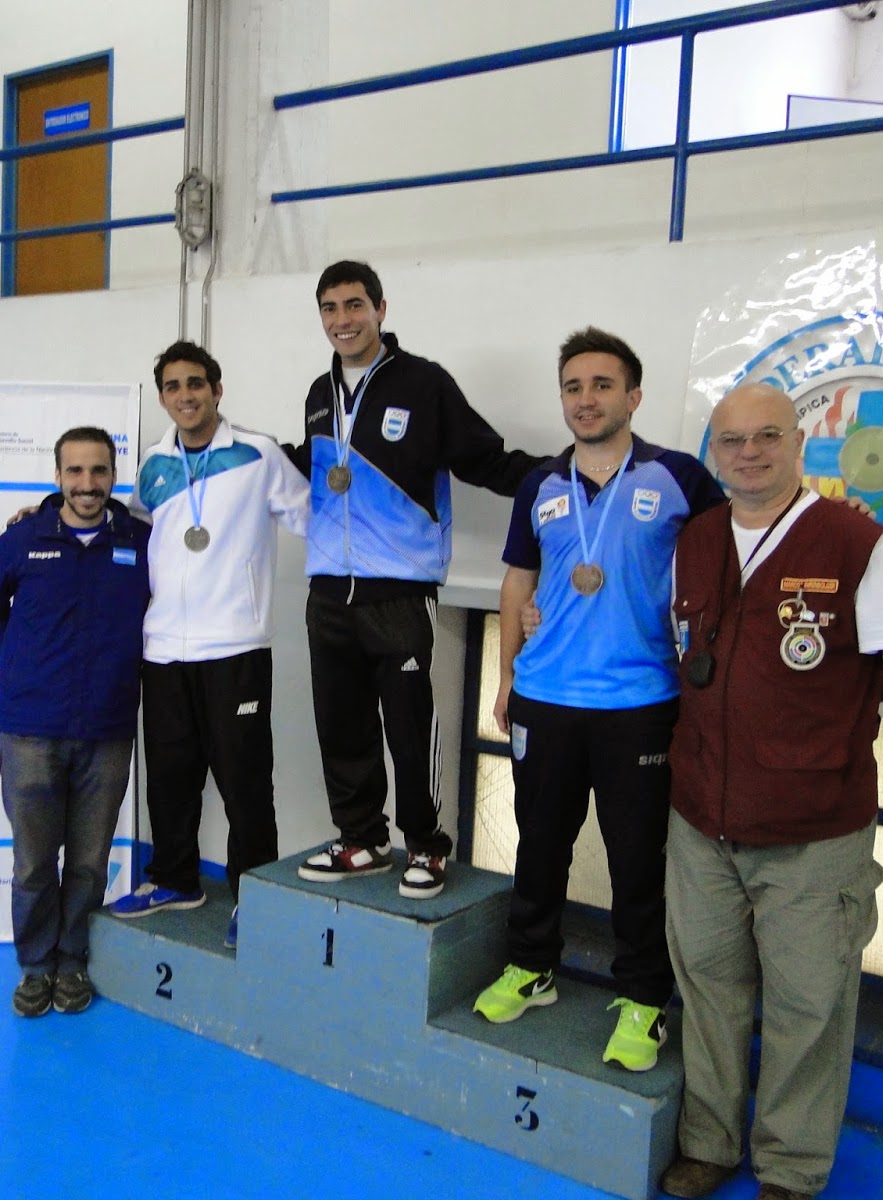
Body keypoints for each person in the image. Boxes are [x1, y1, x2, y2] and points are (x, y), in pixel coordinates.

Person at [660, 382, 883, 1200]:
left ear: (799, 444)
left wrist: (835, 701)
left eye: (767, 436)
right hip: (702, 818)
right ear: (714, 453)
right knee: (708, 985)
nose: (748, 453)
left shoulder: (858, 544)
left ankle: (790, 1168)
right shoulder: (696, 540)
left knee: (809, 1003)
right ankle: (709, 1143)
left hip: (814, 829)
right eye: (731, 441)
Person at [473, 329, 723, 1074]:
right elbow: (519, 580)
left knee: (637, 859)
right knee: (539, 845)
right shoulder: (541, 485)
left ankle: (644, 998)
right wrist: (507, 677)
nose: (586, 400)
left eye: (602, 385)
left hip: (640, 702)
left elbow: (728, 557)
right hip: (545, 697)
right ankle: (532, 966)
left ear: (633, 396)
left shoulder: (678, 477)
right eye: (573, 387)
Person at [290, 260, 543, 899]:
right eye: (330, 308)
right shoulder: (319, 393)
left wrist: (560, 474)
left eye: (355, 305)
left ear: (380, 309)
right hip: (329, 588)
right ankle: (362, 839)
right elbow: (316, 470)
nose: (343, 320)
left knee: (409, 726)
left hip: (399, 588)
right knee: (341, 723)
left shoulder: (423, 383)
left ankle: (427, 846)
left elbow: (485, 459)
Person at [107, 341, 309, 948]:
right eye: (173, 386)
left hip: (235, 646)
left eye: (196, 383)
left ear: (217, 390)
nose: (185, 395)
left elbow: (313, 519)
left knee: (246, 783)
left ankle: (254, 897)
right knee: (170, 777)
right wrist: (43, 513)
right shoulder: (151, 464)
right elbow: (133, 525)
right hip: (164, 648)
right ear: (163, 397)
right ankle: (175, 879)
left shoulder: (258, 454)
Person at [0, 426, 152, 1018]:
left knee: (90, 863)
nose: (87, 484)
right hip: (30, 729)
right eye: (75, 471)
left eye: (98, 471)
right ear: (57, 477)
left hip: (107, 730)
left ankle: (72, 962)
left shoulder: (140, 541)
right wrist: (14, 658)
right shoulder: (25, 537)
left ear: (113, 476)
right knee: (33, 864)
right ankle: (35, 968)